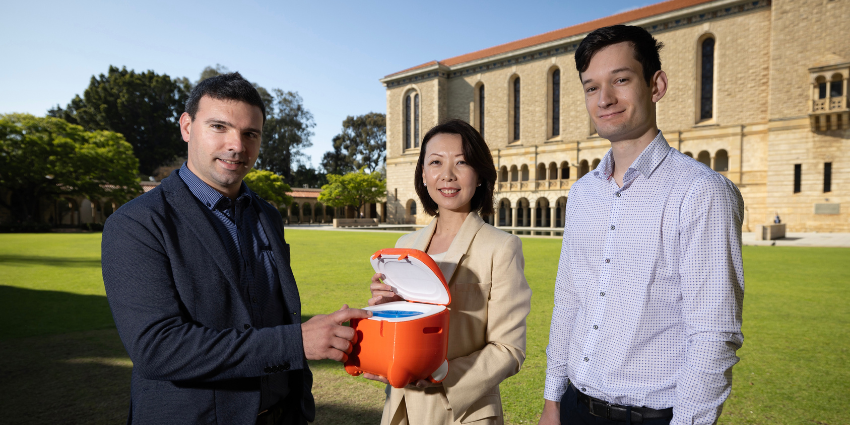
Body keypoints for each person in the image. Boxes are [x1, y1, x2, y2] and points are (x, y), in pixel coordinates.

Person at [102, 72, 371, 425]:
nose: (237, 145)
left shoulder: (267, 215)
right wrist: (294, 343)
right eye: (219, 127)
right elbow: (158, 349)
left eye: (250, 134)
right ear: (187, 127)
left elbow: (268, 314)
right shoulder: (138, 223)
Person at [538, 25, 745, 425]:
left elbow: (714, 333)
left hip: (651, 417)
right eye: (591, 87)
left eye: (620, 80)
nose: (605, 99)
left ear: (656, 85)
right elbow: (569, 301)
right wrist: (552, 399)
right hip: (574, 407)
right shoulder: (582, 194)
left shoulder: (701, 192)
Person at [367, 119, 532, 425]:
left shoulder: (502, 248)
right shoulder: (405, 245)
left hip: (461, 414)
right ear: (424, 175)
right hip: (399, 410)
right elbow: (401, 329)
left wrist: (439, 374)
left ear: (480, 175)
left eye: (461, 162)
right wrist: (383, 309)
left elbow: (509, 350)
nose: (448, 175)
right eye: (436, 162)